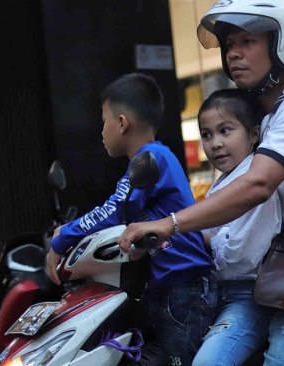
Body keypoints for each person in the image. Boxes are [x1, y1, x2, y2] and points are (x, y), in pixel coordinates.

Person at [119, 1, 284, 364]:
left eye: (247, 41)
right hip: (262, 284)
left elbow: (257, 185)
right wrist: (161, 238)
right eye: (230, 44)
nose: (234, 53)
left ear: (283, 43)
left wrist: (169, 223)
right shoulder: (267, 113)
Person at [45, 73, 215, 365]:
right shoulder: (153, 158)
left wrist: (62, 237)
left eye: (103, 121)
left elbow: (113, 210)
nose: (101, 131)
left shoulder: (149, 159)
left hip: (184, 288)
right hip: (171, 287)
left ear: (122, 123)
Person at [192, 88, 280, 366]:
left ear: (254, 134)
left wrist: (194, 236)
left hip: (249, 297)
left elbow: (238, 252)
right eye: (207, 135)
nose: (215, 143)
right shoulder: (221, 183)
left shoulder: (255, 179)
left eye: (225, 131)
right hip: (222, 294)